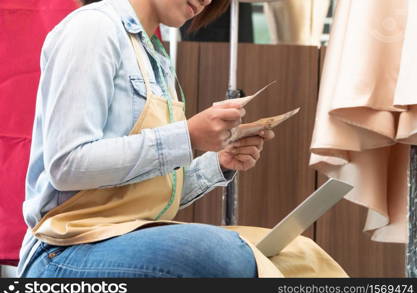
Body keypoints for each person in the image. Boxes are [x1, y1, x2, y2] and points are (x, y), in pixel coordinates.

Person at [18, 0, 276, 278]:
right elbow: (67, 165)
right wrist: (187, 137)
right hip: (63, 249)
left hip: (120, 236)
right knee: (222, 254)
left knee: (297, 254)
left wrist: (220, 163)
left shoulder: (156, 58)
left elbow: (143, 192)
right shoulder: (94, 27)